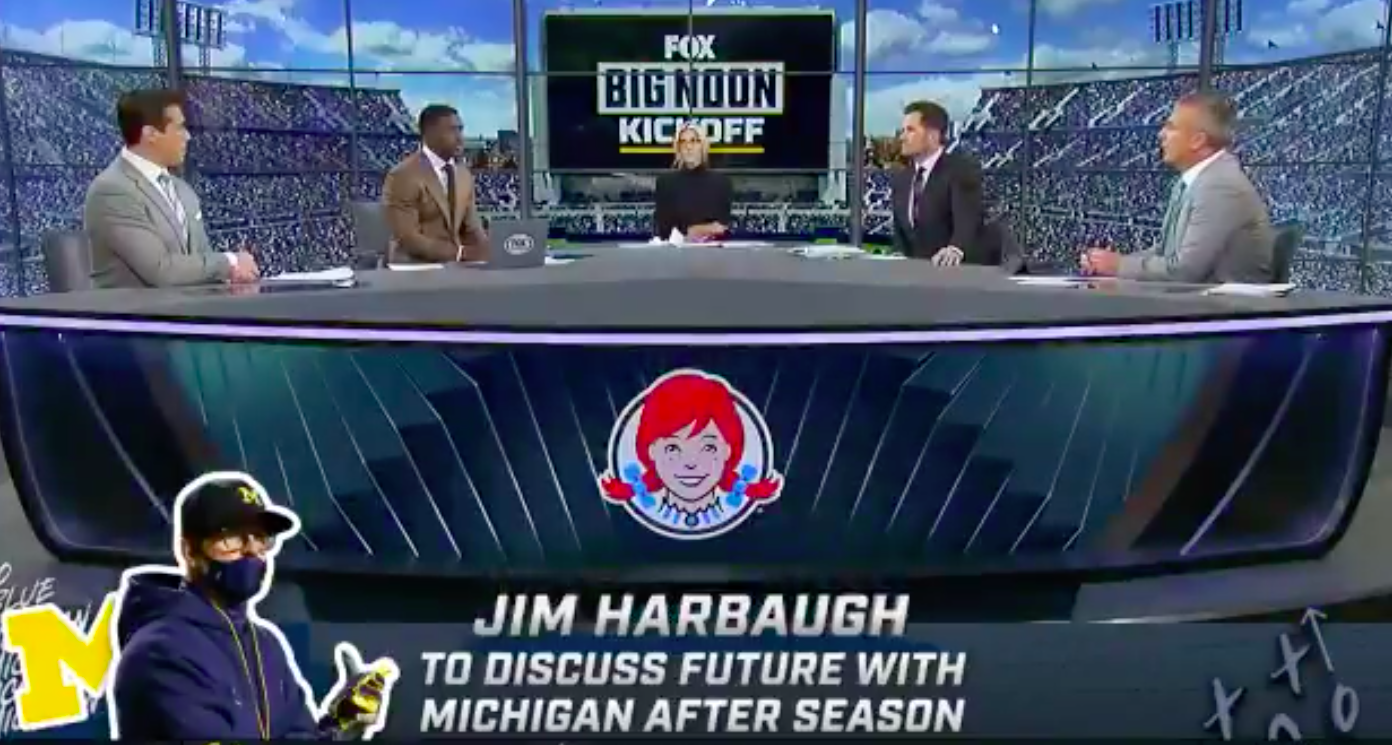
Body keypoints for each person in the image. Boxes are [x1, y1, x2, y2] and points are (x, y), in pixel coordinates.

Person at [109, 471, 398, 740]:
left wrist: (339, 725)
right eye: (232, 538)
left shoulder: (265, 645)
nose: (251, 550)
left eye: (260, 537)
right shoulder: (160, 652)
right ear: (189, 551)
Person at [1081, 92, 1273, 283]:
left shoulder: (1220, 186)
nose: (1161, 134)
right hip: (1190, 296)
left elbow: (1184, 271)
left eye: (1171, 128)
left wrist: (1119, 266)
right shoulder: (1193, 181)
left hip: (1218, 301)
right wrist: (1108, 264)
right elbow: (1165, 252)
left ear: (1197, 140)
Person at [85, 89, 258, 288]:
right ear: (150, 134)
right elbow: (160, 270)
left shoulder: (183, 190)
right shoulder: (112, 191)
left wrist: (234, 273)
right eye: (179, 128)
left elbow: (203, 259)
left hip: (193, 304)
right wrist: (230, 261)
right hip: (138, 308)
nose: (187, 136)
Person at [382, 104, 489, 264]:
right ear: (430, 134)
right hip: (415, 265)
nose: (460, 138)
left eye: (460, 130)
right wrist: (460, 253)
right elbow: (408, 238)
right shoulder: (403, 175)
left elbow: (473, 228)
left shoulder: (463, 174)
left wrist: (490, 251)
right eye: (452, 130)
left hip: (456, 265)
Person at [891, 101, 993, 266]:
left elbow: (968, 221)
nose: (902, 137)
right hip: (913, 274)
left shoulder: (961, 170)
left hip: (955, 272)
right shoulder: (901, 179)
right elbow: (900, 236)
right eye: (903, 130)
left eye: (910, 130)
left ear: (933, 135)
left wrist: (955, 248)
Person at [653, 125, 733, 242]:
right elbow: (663, 230)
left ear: (703, 146)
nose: (688, 146)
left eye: (694, 141)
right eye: (683, 142)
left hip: (712, 250)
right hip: (676, 250)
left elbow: (722, 228)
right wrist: (696, 231)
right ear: (678, 147)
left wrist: (694, 230)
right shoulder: (665, 182)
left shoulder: (721, 182)